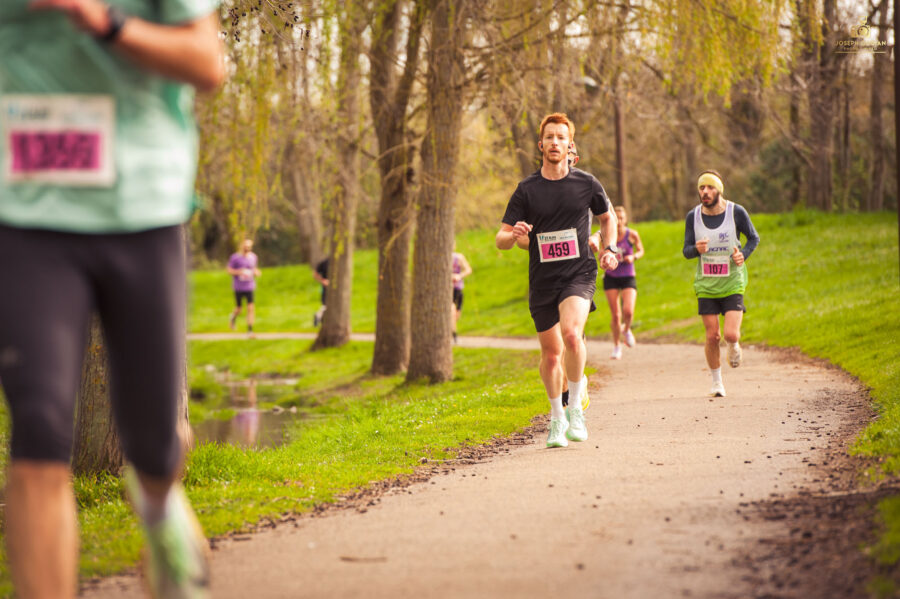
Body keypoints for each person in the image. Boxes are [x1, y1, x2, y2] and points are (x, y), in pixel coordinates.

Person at [0, 1, 224, 598]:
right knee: (40, 427)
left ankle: (156, 507)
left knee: (152, 442)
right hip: (26, 212)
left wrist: (99, 19)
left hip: (141, 207)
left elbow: (207, 62)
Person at [496, 112, 618, 448]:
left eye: (560, 137)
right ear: (541, 145)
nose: (554, 142)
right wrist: (515, 233)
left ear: (569, 145)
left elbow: (608, 218)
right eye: (549, 137)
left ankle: (575, 408)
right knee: (551, 356)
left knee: (571, 335)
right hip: (542, 280)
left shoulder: (587, 183)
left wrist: (610, 249)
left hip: (578, 273)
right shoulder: (527, 190)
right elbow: (501, 239)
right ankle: (556, 417)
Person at [683, 170, 760, 397]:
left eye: (709, 187)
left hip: (732, 281)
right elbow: (686, 251)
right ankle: (717, 382)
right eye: (701, 188)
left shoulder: (736, 212)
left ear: (719, 190)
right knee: (712, 336)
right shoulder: (693, 216)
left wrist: (743, 255)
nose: (705, 192)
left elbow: (753, 238)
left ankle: (734, 346)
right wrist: (696, 249)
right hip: (706, 285)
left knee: (730, 335)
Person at [603, 205, 644, 360]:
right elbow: (601, 251)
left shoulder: (632, 234)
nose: (619, 221)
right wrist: (605, 255)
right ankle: (616, 346)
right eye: (616, 218)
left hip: (627, 275)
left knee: (628, 311)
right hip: (611, 276)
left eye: (621, 218)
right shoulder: (607, 236)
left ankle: (626, 329)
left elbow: (641, 250)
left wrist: (633, 257)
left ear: (625, 219)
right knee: (616, 315)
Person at [228, 239, 261, 334]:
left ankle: (250, 330)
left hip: (249, 286)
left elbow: (254, 269)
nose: (247, 248)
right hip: (238, 287)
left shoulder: (253, 257)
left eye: (249, 247)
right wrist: (239, 272)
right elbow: (229, 270)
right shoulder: (235, 257)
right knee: (239, 309)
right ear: (241, 246)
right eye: (245, 246)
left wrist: (256, 273)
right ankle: (232, 318)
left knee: (250, 308)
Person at [451, 248, 472, 343]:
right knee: (451, 311)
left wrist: (459, 276)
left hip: (457, 289)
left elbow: (468, 270)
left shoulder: (458, 257)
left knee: (456, 315)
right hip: (448, 290)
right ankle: (454, 335)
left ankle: (452, 331)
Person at [312, 256, 330, 327]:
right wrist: (323, 281)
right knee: (325, 305)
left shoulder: (339, 262)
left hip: (335, 288)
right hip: (325, 288)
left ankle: (319, 316)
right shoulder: (324, 263)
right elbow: (315, 274)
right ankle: (318, 316)